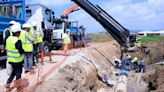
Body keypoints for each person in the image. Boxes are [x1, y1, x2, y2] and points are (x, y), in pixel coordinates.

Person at [4, 24, 25, 91]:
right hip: (17, 60)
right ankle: (18, 88)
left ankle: (8, 83)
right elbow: (20, 50)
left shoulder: (8, 39)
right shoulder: (17, 40)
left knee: (14, 72)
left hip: (11, 60)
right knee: (18, 73)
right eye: (20, 32)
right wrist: (24, 51)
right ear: (17, 32)